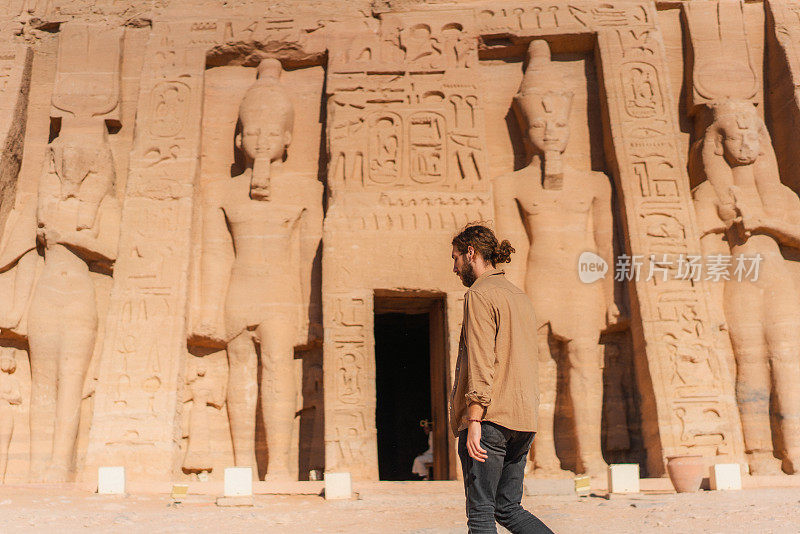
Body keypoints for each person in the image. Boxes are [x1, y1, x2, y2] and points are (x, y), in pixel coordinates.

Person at [450, 224, 553, 533]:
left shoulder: (480, 294)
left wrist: (474, 421)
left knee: (481, 512)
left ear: (471, 253)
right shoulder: (518, 295)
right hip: (523, 421)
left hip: (492, 420)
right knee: (508, 509)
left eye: (455, 257)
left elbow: (482, 362)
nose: (454, 267)